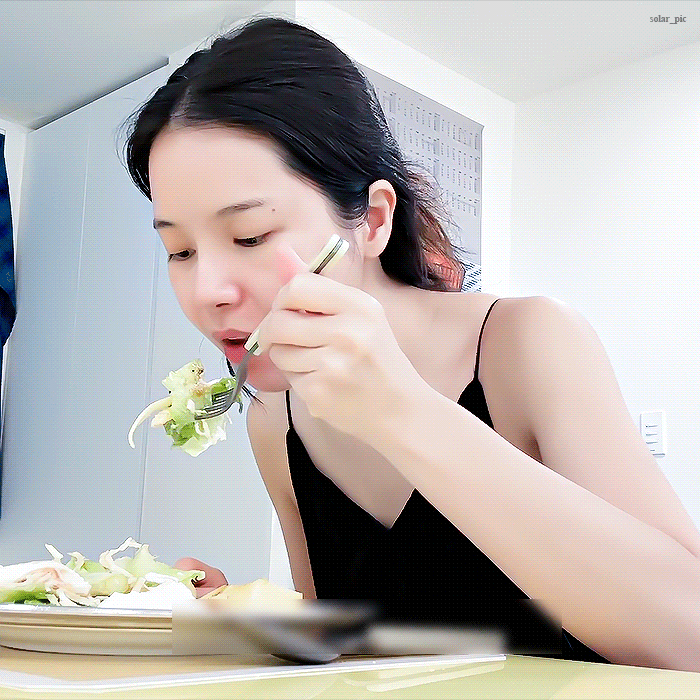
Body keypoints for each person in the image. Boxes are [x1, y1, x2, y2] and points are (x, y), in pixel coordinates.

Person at [122, 16, 700, 670]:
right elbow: (348, 641)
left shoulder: (526, 342)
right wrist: (245, 621)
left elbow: (690, 634)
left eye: (250, 235)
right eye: (180, 250)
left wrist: (401, 411)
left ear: (372, 221)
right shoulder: (274, 421)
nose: (207, 291)